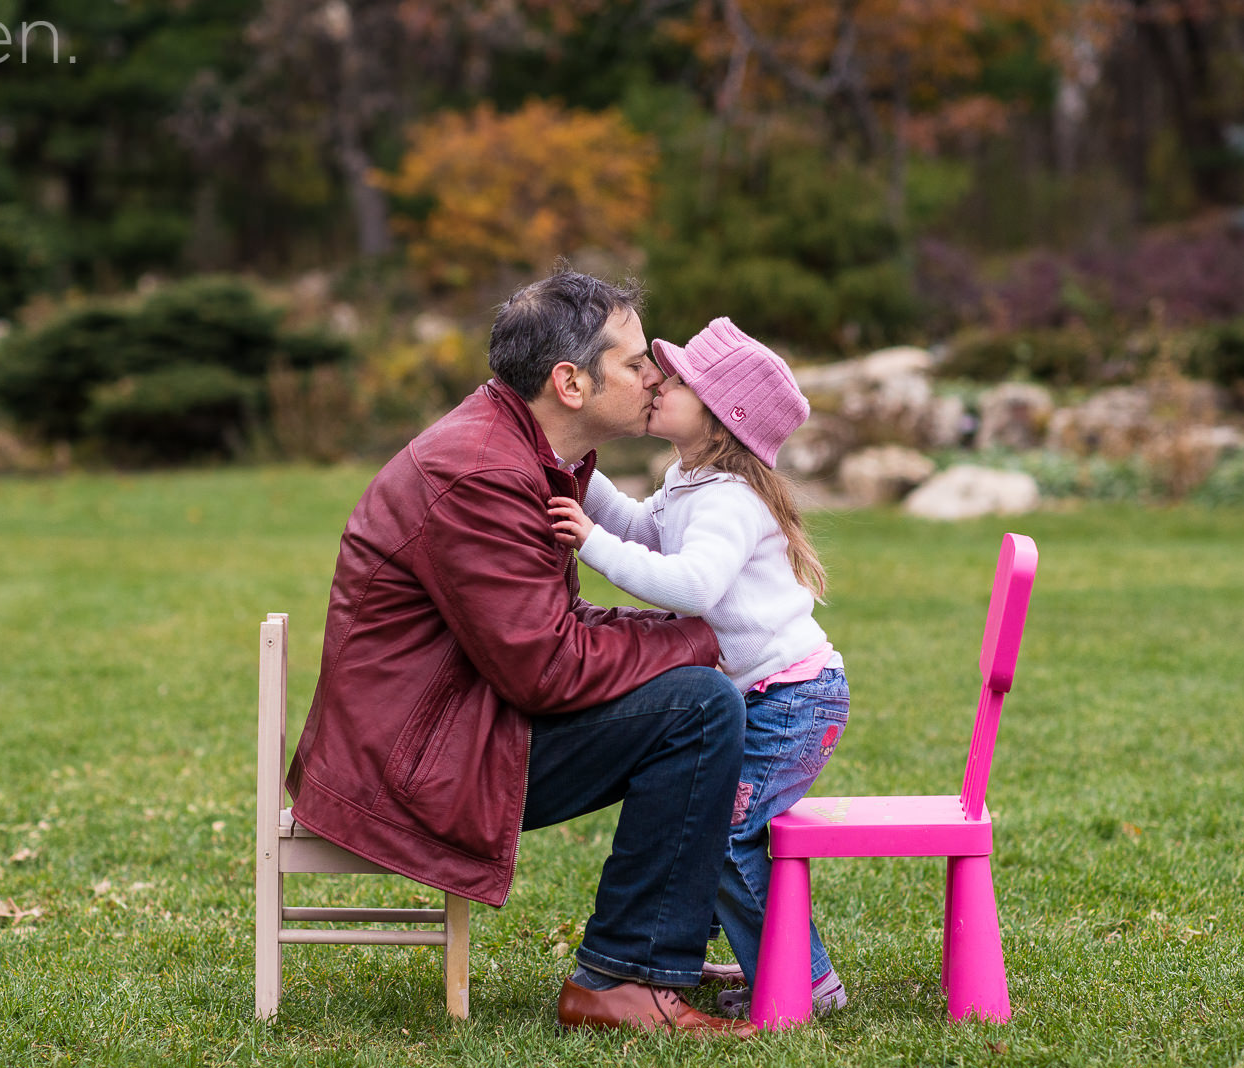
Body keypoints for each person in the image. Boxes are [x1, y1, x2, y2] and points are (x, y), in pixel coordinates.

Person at [286, 270, 758, 1037]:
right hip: (414, 762)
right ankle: (624, 979)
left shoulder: (523, 450)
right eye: (636, 362)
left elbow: (545, 626)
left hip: (452, 721)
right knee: (700, 709)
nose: (654, 376)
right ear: (570, 382)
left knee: (694, 691)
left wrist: (680, 643)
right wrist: (700, 641)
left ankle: (647, 957)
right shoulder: (480, 472)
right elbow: (545, 668)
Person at [548, 316, 851, 1019]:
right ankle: (776, 967)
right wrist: (574, 463)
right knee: (719, 830)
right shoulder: (691, 479)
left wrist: (588, 543)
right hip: (768, 696)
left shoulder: (728, 500)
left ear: (720, 415)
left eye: (678, 380)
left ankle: (806, 983)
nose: (658, 381)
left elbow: (691, 586)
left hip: (791, 701)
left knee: (728, 837)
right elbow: (641, 526)